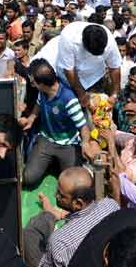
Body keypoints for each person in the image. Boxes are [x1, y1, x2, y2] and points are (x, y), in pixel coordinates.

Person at [20, 59, 101, 188]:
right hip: (46, 140)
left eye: (33, 82)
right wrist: (31, 119)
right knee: (28, 179)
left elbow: (83, 127)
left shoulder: (69, 99)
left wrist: (85, 143)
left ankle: (55, 162)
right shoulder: (43, 91)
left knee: (71, 185)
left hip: (68, 145)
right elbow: (38, 104)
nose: (32, 84)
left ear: (42, 83)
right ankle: (51, 162)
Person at [32, 21, 123, 104]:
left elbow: (115, 67)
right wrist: (81, 94)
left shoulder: (109, 40)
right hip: (69, 81)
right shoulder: (69, 37)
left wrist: (115, 93)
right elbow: (69, 70)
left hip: (94, 79)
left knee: (99, 113)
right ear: (84, 43)